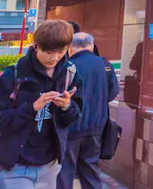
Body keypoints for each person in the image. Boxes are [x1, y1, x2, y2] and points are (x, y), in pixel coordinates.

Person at [0, 19, 81, 188]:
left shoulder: (70, 74)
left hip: (50, 166)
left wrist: (67, 106)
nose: (55, 58)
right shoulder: (13, 75)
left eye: (61, 51)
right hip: (16, 166)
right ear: (36, 46)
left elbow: (74, 117)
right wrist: (31, 108)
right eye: (49, 52)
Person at [56, 33, 119, 189]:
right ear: (91, 45)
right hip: (96, 127)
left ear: (70, 47)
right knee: (91, 170)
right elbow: (112, 93)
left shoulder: (68, 65)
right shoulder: (105, 65)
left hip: (71, 127)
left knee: (65, 171)